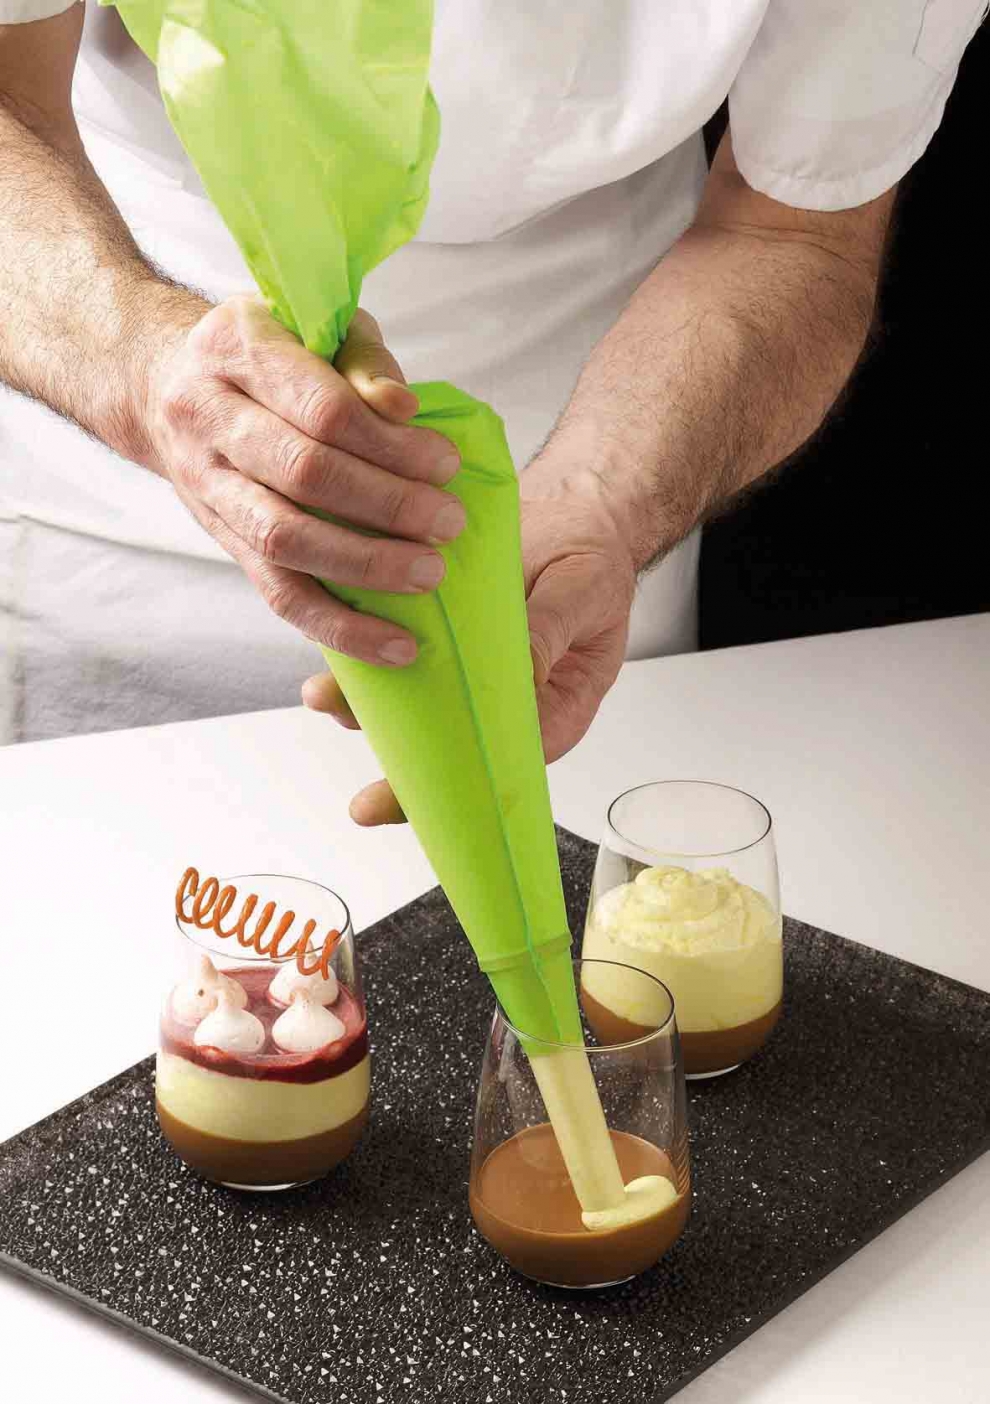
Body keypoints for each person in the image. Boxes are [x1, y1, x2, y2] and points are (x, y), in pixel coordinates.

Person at [0, 2, 982, 822]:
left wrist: (604, 503)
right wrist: (143, 366)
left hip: (586, 523)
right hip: (123, 516)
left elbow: (794, 229)